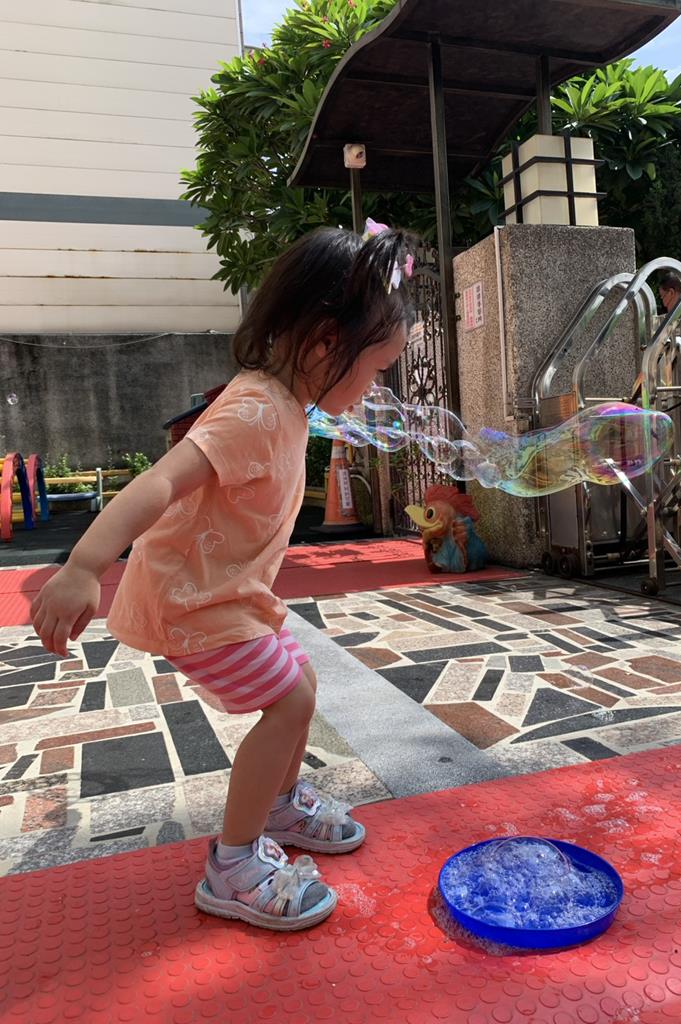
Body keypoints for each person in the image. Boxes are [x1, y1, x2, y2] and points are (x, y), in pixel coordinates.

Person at [31, 224, 414, 931]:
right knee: (288, 703)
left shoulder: (287, 406)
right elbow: (159, 481)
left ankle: (280, 805)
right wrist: (83, 566)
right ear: (325, 343)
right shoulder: (254, 410)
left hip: (226, 594)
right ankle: (233, 867)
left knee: (300, 681)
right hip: (191, 601)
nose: (377, 386)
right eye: (377, 367)